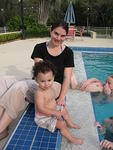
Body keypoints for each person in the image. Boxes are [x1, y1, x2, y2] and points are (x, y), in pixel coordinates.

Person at [33, 61, 83, 145]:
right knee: (62, 124)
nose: (46, 84)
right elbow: (40, 109)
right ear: (36, 80)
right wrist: (55, 112)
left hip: (52, 111)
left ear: (53, 77)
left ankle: (70, 124)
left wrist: (57, 105)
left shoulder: (51, 87)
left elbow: (52, 99)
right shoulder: (39, 93)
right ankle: (71, 139)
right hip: (43, 118)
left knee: (64, 110)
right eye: (42, 81)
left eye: (49, 80)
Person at [31, 21, 78, 106]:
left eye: (62, 36)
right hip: (40, 83)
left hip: (55, 85)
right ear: (50, 31)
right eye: (56, 33)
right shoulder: (39, 48)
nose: (58, 38)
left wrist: (62, 97)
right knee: (16, 88)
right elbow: (40, 72)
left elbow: (67, 77)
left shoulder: (68, 52)